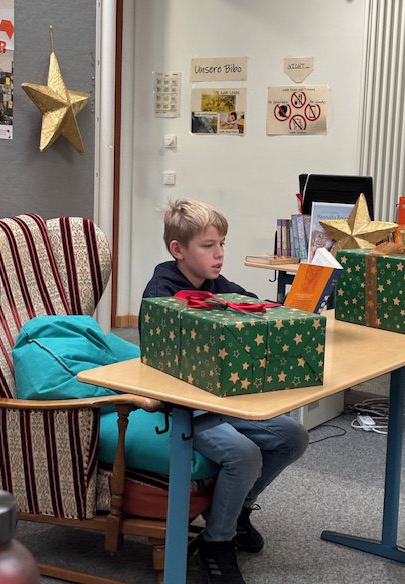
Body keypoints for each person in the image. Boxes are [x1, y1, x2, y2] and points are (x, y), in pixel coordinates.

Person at [141, 199, 309, 584]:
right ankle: (216, 543)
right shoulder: (160, 293)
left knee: (293, 436)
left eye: (222, 244)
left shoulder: (217, 285)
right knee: (244, 454)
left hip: (220, 400)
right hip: (181, 408)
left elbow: (255, 305)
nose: (219, 254)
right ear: (178, 250)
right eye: (208, 245)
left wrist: (293, 307)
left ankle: (234, 513)